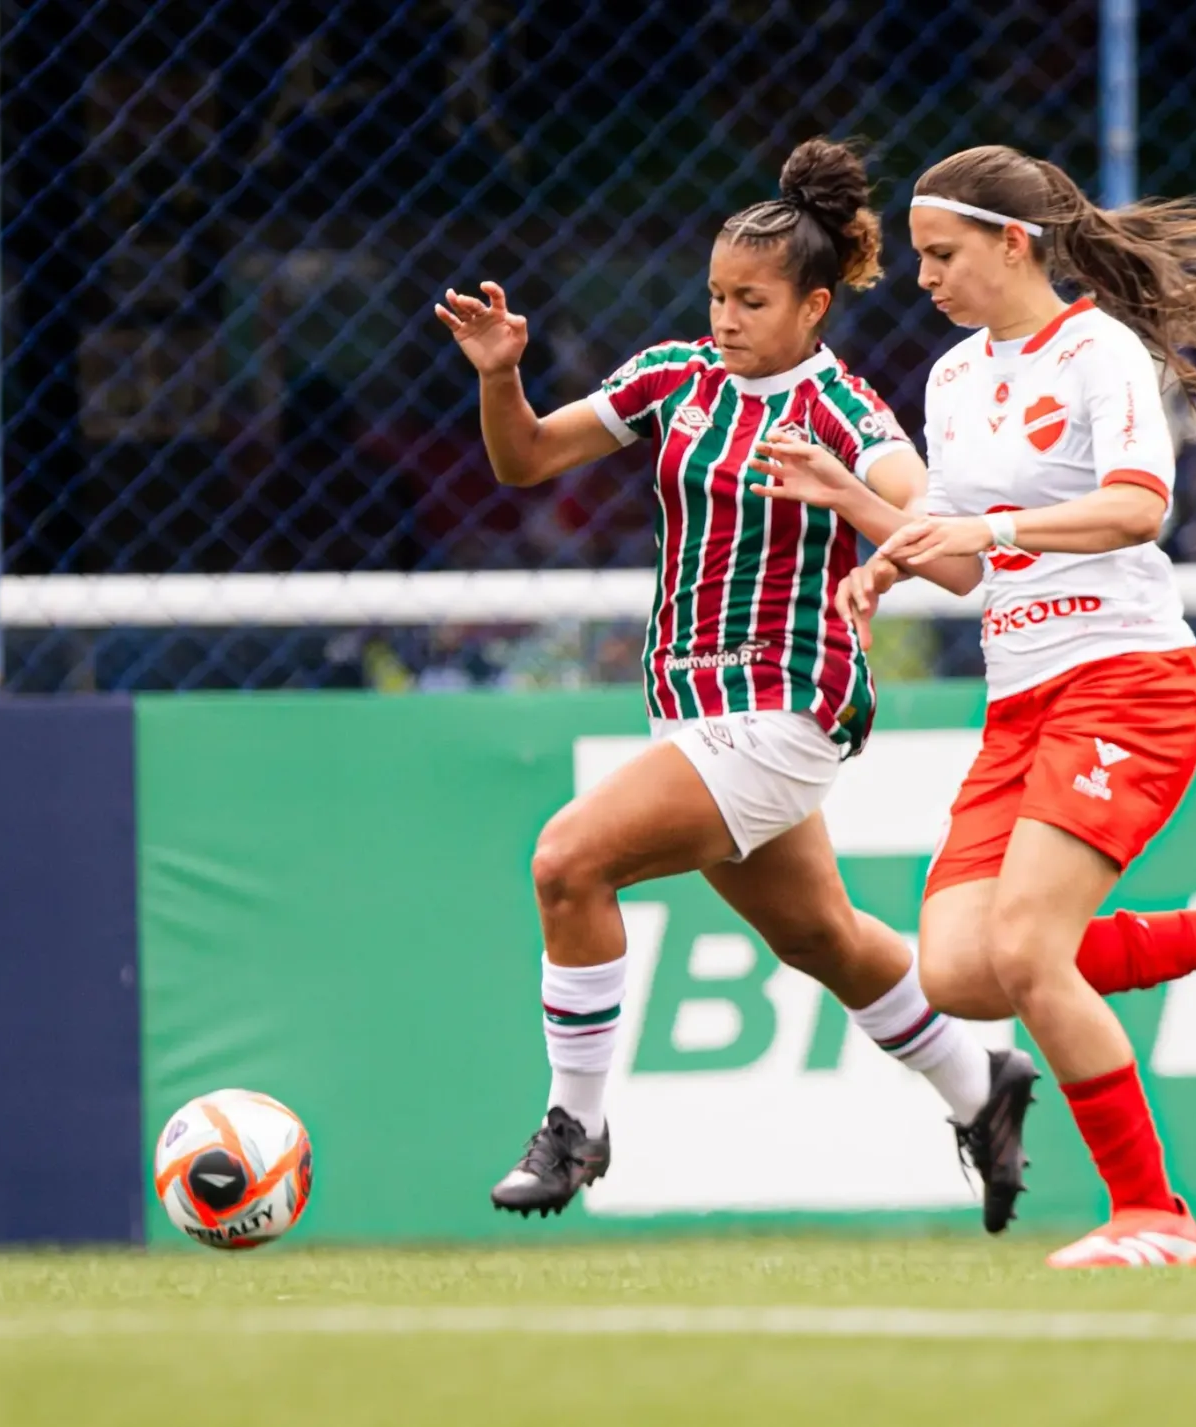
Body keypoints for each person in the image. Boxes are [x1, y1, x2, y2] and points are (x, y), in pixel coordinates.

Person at [434, 139, 1041, 1228]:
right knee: (823, 939)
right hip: (693, 713)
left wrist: (846, 490)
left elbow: (954, 561)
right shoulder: (672, 378)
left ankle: (576, 1124)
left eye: (750, 300)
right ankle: (979, 1086)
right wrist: (500, 377)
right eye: (715, 293)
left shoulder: (846, 413)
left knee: (569, 861)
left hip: (785, 712)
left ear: (813, 307)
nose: (724, 316)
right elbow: (523, 459)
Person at [750, 144, 1196, 1269]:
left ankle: (1153, 1213)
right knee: (957, 969)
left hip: (1128, 683)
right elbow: (963, 566)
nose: (923, 277)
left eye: (942, 253)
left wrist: (985, 531)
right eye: (918, 257)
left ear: (1014, 243)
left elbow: (1137, 509)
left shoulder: (1102, 351)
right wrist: (866, 521)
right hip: (1022, 703)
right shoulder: (953, 379)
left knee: (1027, 946)